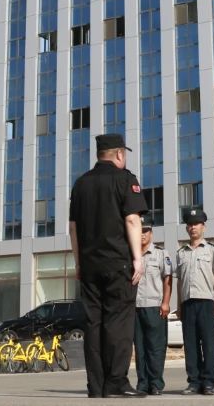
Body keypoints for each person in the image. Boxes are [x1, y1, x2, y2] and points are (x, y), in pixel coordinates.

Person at [68, 133, 148, 398]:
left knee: (93, 324)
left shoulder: (81, 184)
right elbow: (133, 220)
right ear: (119, 154)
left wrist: (79, 262)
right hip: (117, 264)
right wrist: (138, 258)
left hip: (89, 266)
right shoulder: (125, 180)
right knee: (119, 322)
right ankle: (116, 382)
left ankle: (96, 385)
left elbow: (73, 228)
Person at [173, 207, 214, 396]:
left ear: (203, 227)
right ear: (187, 228)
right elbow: (180, 281)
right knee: (190, 344)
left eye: (196, 224)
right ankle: (194, 382)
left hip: (207, 302)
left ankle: (209, 382)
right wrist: (179, 305)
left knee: (209, 344)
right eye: (190, 225)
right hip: (188, 303)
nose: (193, 227)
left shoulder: (212, 250)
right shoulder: (181, 252)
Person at [133, 214, 172, 395]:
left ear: (151, 233)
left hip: (155, 307)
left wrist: (166, 302)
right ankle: (142, 384)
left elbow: (167, 279)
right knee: (140, 348)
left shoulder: (161, 254)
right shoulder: (131, 255)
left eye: (146, 231)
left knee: (155, 348)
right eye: (140, 231)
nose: (142, 234)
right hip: (136, 307)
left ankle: (156, 383)